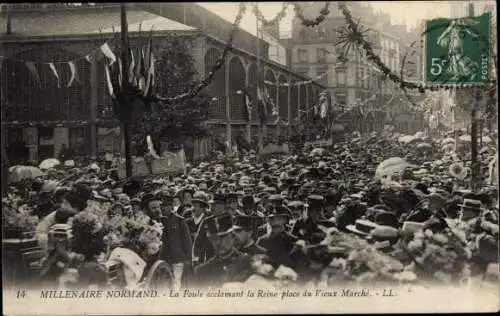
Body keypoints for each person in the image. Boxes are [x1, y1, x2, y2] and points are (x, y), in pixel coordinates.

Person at [144, 192, 193, 290]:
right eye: (162, 206)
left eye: (165, 206)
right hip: (163, 258)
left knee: (176, 283)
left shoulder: (180, 220)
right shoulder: (157, 221)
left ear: (171, 207)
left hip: (177, 258)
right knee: (163, 284)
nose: (162, 208)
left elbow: (187, 241)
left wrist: (188, 260)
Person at [193, 213, 253, 287]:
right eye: (214, 238)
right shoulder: (202, 270)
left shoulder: (247, 263)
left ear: (232, 235)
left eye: (223, 237)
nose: (218, 242)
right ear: (210, 240)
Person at [257, 205, 299, 269]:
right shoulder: (262, 240)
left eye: (278, 218)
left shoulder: (292, 240)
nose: (274, 221)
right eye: (271, 218)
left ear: (284, 220)